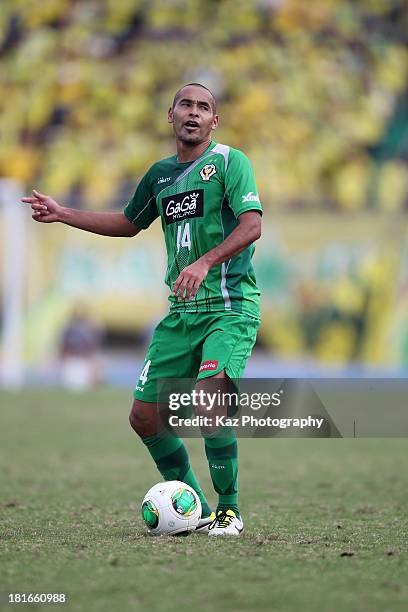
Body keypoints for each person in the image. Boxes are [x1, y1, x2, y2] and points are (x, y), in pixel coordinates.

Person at [22, 83, 262, 536]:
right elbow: (129, 223)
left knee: (209, 399)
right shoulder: (160, 175)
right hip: (181, 313)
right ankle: (194, 508)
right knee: (144, 416)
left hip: (229, 308)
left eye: (204, 107)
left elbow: (252, 225)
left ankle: (229, 509)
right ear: (170, 115)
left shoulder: (231, 163)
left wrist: (206, 261)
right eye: (186, 105)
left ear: (215, 121)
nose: (194, 113)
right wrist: (62, 212)